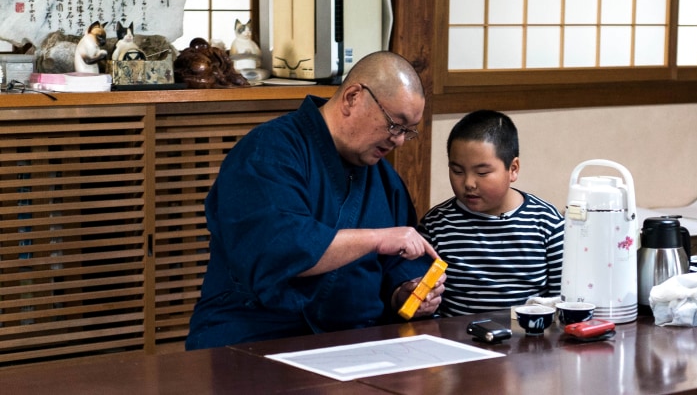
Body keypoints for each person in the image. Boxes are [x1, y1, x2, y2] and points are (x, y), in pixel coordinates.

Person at [186, 51, 445, 350]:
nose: (398, 140)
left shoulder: (385, 179)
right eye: (394, 124)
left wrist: (407, 292)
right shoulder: (268, 152)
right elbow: (281, 246)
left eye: (406, 131)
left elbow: (396, 267)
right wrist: (376, 239)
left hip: (354, 344)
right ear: (352, 97)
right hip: (258, 338)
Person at [418, 110, 564, 316]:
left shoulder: (546, 223)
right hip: (457, 341)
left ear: (513, 169)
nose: (468, 183)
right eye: (457, 171)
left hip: (528, 340)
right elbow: (426, 302)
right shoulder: (437, 225)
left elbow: (562, 299)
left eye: (482, 173)